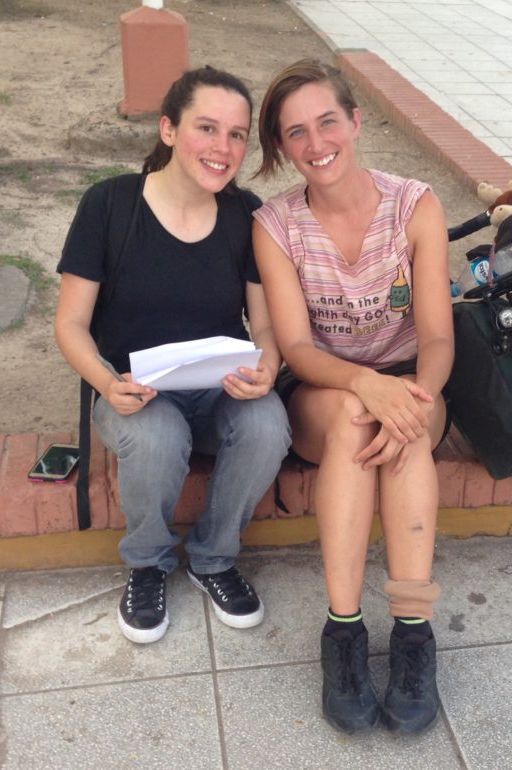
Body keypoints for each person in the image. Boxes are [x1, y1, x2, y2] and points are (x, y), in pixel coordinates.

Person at [54, 66, 292, 645]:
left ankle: (213, 558)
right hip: (134, 391)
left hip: (217, 387)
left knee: (268, 424)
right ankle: (147, 563)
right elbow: (71, 323)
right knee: (157, 436)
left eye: (237, 134)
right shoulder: (109, 205)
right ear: (167, 129)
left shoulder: (244, 214)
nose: (223, 148)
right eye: (206, 128)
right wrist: (108, 384)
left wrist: (268, 366)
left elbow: (264, 322)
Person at [252, 59, 453, 735]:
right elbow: (300, 349)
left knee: (401, 434)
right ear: (283, 149)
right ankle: (342, 634)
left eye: (327, 122)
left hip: (412, 381)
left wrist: (413, 398)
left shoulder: (415, 205)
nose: (316, 143)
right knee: (350, 416)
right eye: (296, 133)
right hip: (323, 389)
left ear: (356, 122)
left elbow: (436, 336)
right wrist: (367, 385)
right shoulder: (276, 225)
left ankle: (413, 634)